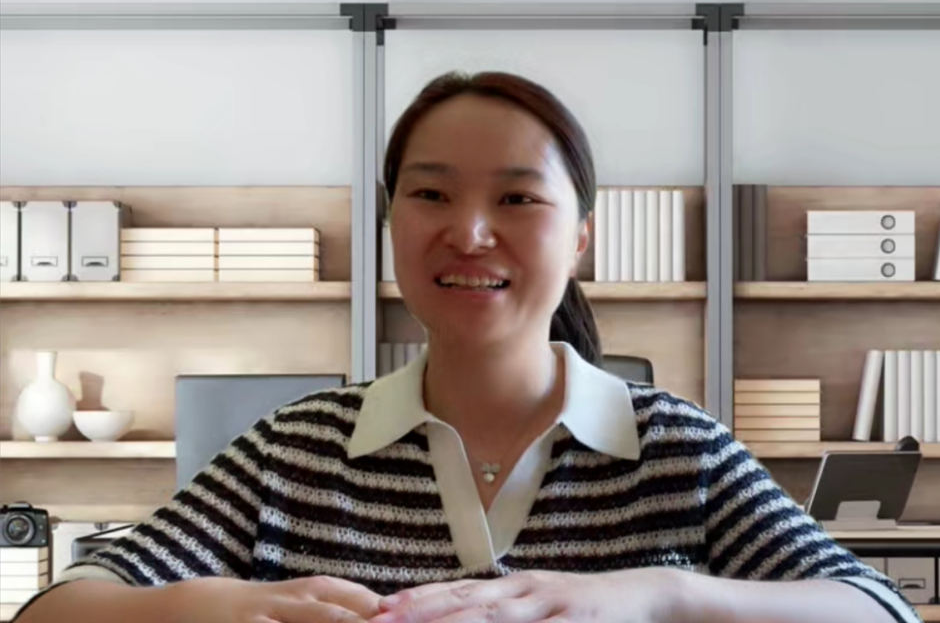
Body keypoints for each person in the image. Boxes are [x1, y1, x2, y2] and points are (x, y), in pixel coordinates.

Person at [15, 71, 922, 623]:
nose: (472, 233)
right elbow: (57, 609)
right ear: (391, 224)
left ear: (580, 238)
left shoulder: (680, 451)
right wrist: (205, 605)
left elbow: (876, 608)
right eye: (431, 196)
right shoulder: (293, 450)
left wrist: (660, 594)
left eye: (518, 199)